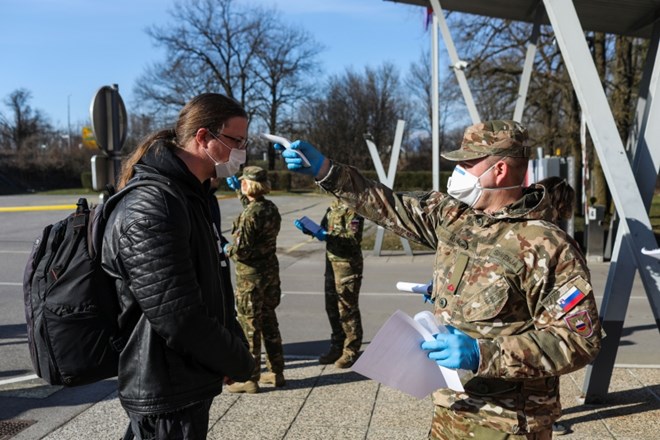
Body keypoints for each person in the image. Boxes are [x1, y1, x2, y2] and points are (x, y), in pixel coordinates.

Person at [276, 120, 602, 440]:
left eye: (467, 163)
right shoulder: (457, 216)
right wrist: (326, 171)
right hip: (450, 409)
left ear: (499, 171)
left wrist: (482, 353)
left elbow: (579, 340)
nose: (457, 171)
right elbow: (389, 205)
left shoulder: (546, 245)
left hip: (506, 422)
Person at [101, 93, 256, 440]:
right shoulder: (153, 205)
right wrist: (237, 360)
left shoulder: (191, 196)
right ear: (203, 138)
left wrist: (229, 343)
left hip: (186, 378)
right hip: (165, 389)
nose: (242, 151)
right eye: (236, 140)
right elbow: (178, 315)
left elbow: (208, 283)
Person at [223, 166, 285, 393]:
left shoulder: (250, 214)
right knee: (269, 321)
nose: (241, 185)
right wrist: (241, 195)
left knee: (250, 326)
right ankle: (277, 372)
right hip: (270, 274)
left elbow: (241, 252)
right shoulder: (270, 207)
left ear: (249, 185)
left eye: (242, 183)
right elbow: (254, 211)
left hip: (251, 278)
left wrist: (225, 247)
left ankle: (250, 378)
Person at [294, 198, 365, 368]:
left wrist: (327, 236)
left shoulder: (353, 208)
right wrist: (310, 230)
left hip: (347, 265)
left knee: (347, 308)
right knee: (332, 307)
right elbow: (323, 229)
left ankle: (351, 351)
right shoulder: (333, 206)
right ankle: (337, 347)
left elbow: (353, 238)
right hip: (331, 264)